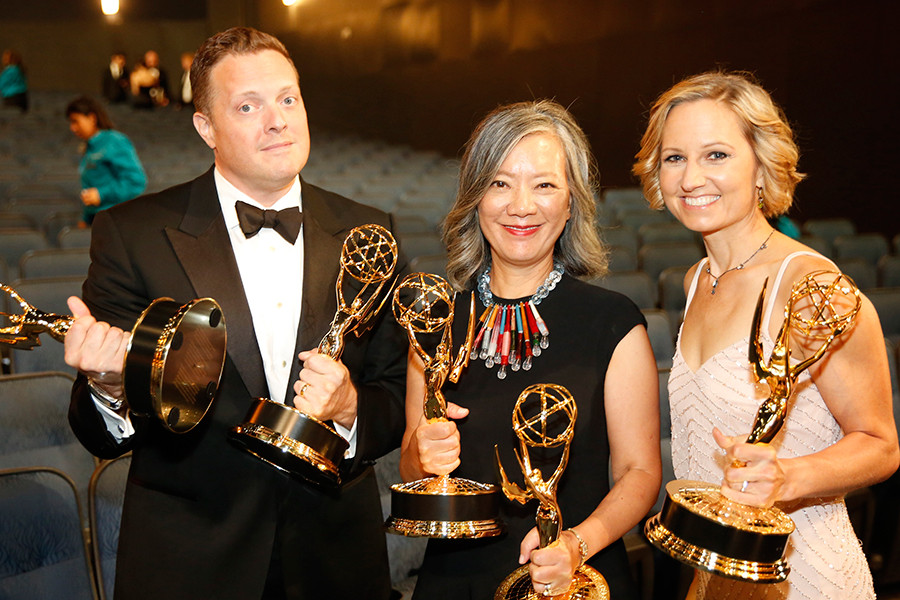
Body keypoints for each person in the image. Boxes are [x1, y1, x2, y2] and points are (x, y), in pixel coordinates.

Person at [63, 27, 407, 599]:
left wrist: (350, 408)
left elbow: (394, 396)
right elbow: (98, 432)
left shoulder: (371, 232)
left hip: (336, 561)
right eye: (248, 106)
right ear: (206, 127)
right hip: (192, 564)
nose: (277, 121)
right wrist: (106, 384)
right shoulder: (132, 234)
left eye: (288, 99)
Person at [633, 71, 899, 599]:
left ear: (761, 164)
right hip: (714, 576)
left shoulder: (810, 287)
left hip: (806, 574)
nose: (690, 179)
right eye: (674, 157)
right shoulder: (697, 280)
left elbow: (880, 445)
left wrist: (788, 478)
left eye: (716, 155)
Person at [400, 100, 661, 599]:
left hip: (575, 579)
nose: (521, 205)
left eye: (544, 184)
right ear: (475, 198)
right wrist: (421, 453)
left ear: (571, 202)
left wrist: (578, 545)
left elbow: (641, 472)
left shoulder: (614, 322)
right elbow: (413, 471)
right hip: (457, 582)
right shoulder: (433, 324)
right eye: (500, 183)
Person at [66, 95, 147, 227]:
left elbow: (136, 181)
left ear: (92, 118)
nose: (72, 128)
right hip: (97, 220)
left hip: (117, 220)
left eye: (75, 121)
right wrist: (85, 219)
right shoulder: (88, 146)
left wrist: (101, 194)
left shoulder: (114, 141)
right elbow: (91, 187)